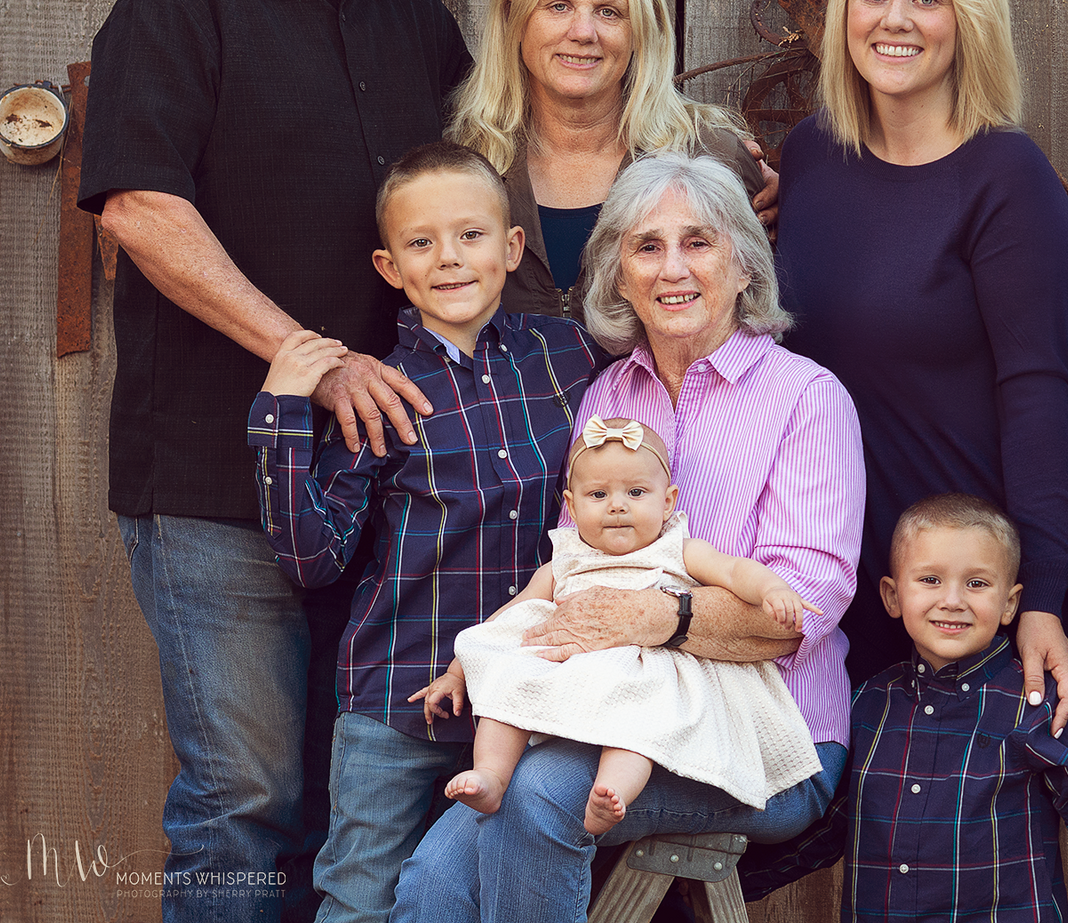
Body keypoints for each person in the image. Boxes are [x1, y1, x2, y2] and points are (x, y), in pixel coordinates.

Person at [77, 0, 470, 921]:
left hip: (375, 495)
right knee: (241, 795)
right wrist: (310, 356)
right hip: (216, 485)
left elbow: (485, 183)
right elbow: (140, 205)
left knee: (349, 794)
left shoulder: (414, 12)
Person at [390, 151, 865, 923]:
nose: (672, 268)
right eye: (646, 246)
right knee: (434, 882)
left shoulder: (807, 398)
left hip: (776, 737)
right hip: (605, 713)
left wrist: (657, 616)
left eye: (698, 243)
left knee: (541, 798)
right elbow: (575, 565)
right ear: (619, 274)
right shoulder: (612, 393)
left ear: (745, 263)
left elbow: (801, 615)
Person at [249, 143, 601, 923]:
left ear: (512, 248)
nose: (449, 258)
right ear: (389, 267)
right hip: (397, 702)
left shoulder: (569, 358)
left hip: (533, 704)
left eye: (471, 236)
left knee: (487, 897)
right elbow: (314, 560)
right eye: (421, 243)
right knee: (362, 901)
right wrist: (279, 415)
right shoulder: (378, 391)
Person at [774, 0, 1068, 729]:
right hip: (833, 581)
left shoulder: (1006, 178)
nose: (895, 20)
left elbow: (1039, 400)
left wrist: (1044, 599)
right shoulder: (810, 155)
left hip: (960, 602)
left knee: (949, 849)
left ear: (968, 17)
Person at [748, 494, 1068, 919]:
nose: (953, 600)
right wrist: (725, 876)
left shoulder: (1034, 701)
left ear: (1010, 604)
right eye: (931, 580)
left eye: (977, 584)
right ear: (893, 596)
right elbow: (832, 827)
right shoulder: (869, 703)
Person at [420, 415, 821, 836]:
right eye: (598, 494)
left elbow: (737, 571)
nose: (617, 505)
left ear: (667, 502)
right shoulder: (564, 562)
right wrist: (457, 671)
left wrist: (772, 589)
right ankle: (491, 776)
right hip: (568, 675)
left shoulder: (679, 550)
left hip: (642, 672)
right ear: (571, 507)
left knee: (641, 721)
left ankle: (612, 793)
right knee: (512, 682)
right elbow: (506, 625)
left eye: (635, 492)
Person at [447, 0, 776, 320]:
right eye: (558, 6)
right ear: (515, 15)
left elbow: (759, 332)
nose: (584, 33)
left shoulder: (711, 161)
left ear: (640, 28)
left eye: (609, 11)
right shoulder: (461, 170)